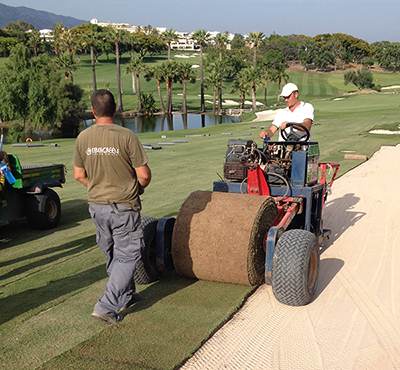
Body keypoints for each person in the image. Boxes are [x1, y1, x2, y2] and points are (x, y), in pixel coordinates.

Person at [73, 89, 151, 325]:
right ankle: (106, 306)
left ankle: (126, 295)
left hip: (97, 207)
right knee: (127, 256)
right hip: (123, 207)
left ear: (93, 111)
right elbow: (144, 176)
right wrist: (135, 188)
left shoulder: (83, 138)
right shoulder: (126, 136)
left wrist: (95, 185)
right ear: (114, 109)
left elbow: (78, 175)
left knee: (112, 254)